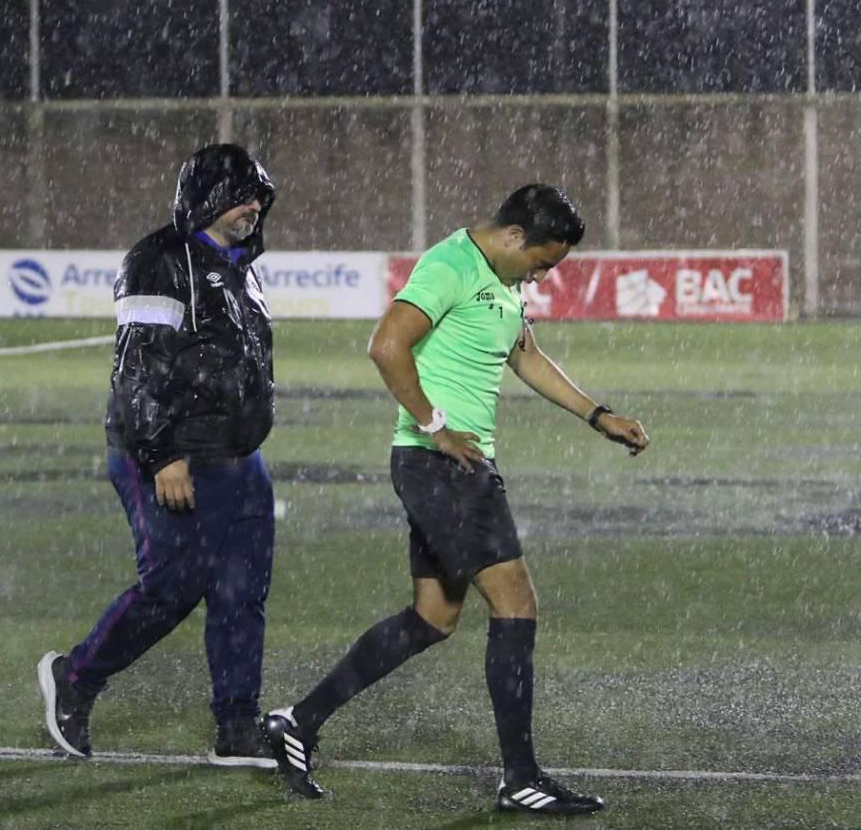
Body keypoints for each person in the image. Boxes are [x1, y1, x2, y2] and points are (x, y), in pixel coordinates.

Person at [264, 185, 650, 815]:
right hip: (443, 465)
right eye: (544, 262)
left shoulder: (504, 280)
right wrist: (436, 423)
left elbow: (524, 354)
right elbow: (385, 344)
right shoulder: (451, 265)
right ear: (515, 237)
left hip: (451, 466)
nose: (544, 274)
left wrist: (597, 414)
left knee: (434, 617)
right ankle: (521, 778)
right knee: (516, 602)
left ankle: (297, 721)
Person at [38, 143, 280, 767]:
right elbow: (136, 365)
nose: (251, 208)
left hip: (238, 458)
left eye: (256, 197)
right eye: (238, 197)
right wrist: (161, 450)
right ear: (205, 200)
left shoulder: (242, 267)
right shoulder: (158, 260)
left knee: (241, 593)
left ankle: (237, 726)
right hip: (170, 453)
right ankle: (76, 677)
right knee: (172, 587)